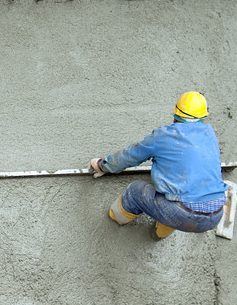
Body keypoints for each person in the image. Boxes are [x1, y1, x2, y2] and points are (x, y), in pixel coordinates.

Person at [87, 92, 227, 239]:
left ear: (176, 112)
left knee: (136, 191)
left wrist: (102, 165)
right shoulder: (210, 134)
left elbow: (130, 156)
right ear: (203, 116)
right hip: (215, 215)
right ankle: (160, 233)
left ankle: (116, 218)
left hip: (181, 213)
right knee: (177, 199)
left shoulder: (164, 136)